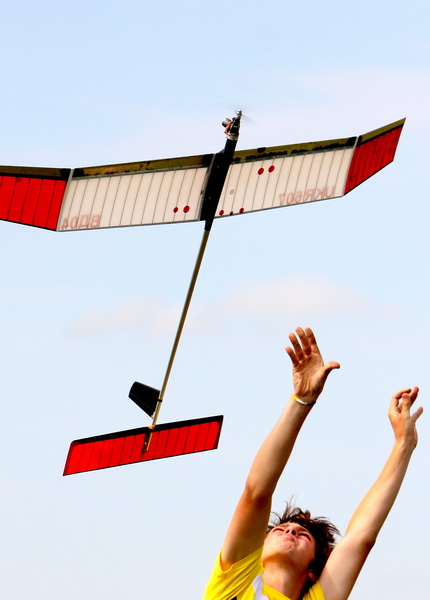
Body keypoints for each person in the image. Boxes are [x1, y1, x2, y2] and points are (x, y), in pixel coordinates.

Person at [203, 327, 423, 600]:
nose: (291, 530)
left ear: (312, 570)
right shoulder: (235, 583)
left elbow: (360, 538)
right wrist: (302, 399)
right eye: (280, 530)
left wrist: (404, 445)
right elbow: (256, 493)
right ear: (257, 552)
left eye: (303, 536)